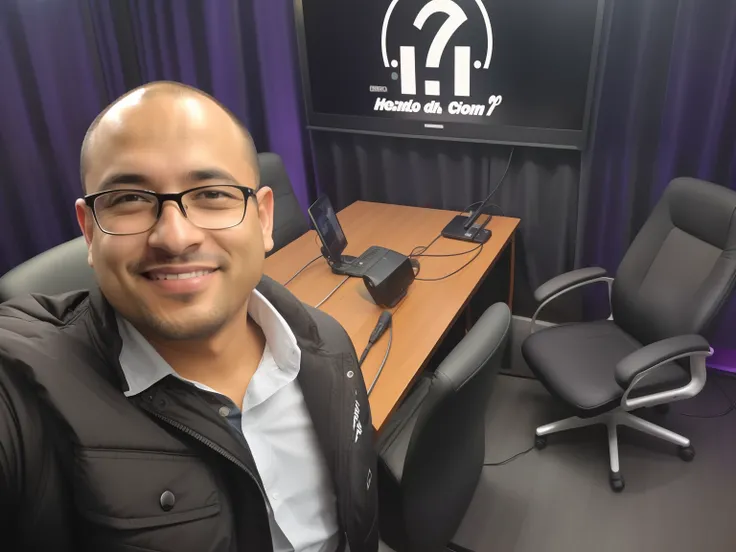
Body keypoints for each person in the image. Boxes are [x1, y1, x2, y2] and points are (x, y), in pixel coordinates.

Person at [0, 82, 378, 552]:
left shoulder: (327, 346)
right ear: (89, 232)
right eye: (129, 199)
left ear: (263, 219)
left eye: (213, 194)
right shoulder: (25, 390)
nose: (175, 237)